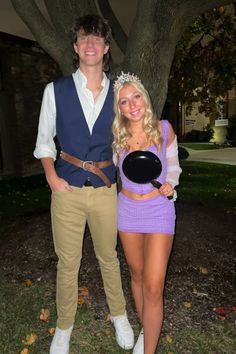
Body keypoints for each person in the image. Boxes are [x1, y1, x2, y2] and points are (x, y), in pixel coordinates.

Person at [33, 16, 134, 354]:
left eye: (97, 39)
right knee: (68, 262)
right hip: (67, 189)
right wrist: (52, 178)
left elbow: (126, 143)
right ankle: (64, 327)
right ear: (76, 48)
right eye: (83, 38)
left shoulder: (120, 94)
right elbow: (44, 141)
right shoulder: (56, 90)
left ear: (106, 48)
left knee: (108, 256)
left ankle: (119, 315)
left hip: (106, 190)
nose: (90, 44)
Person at [112, 72, 182, 354]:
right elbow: (119, 174)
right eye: (124, 101)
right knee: (137, 274)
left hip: (158, 209)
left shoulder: (164, 129)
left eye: (136, 96)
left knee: (154, 286)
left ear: (145, 97)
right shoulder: (118, 137)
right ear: (120, 108)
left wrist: (171, 187)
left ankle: (149, 349)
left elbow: (174, 169)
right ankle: (146, 329)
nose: (132, 105)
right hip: (128, 210)